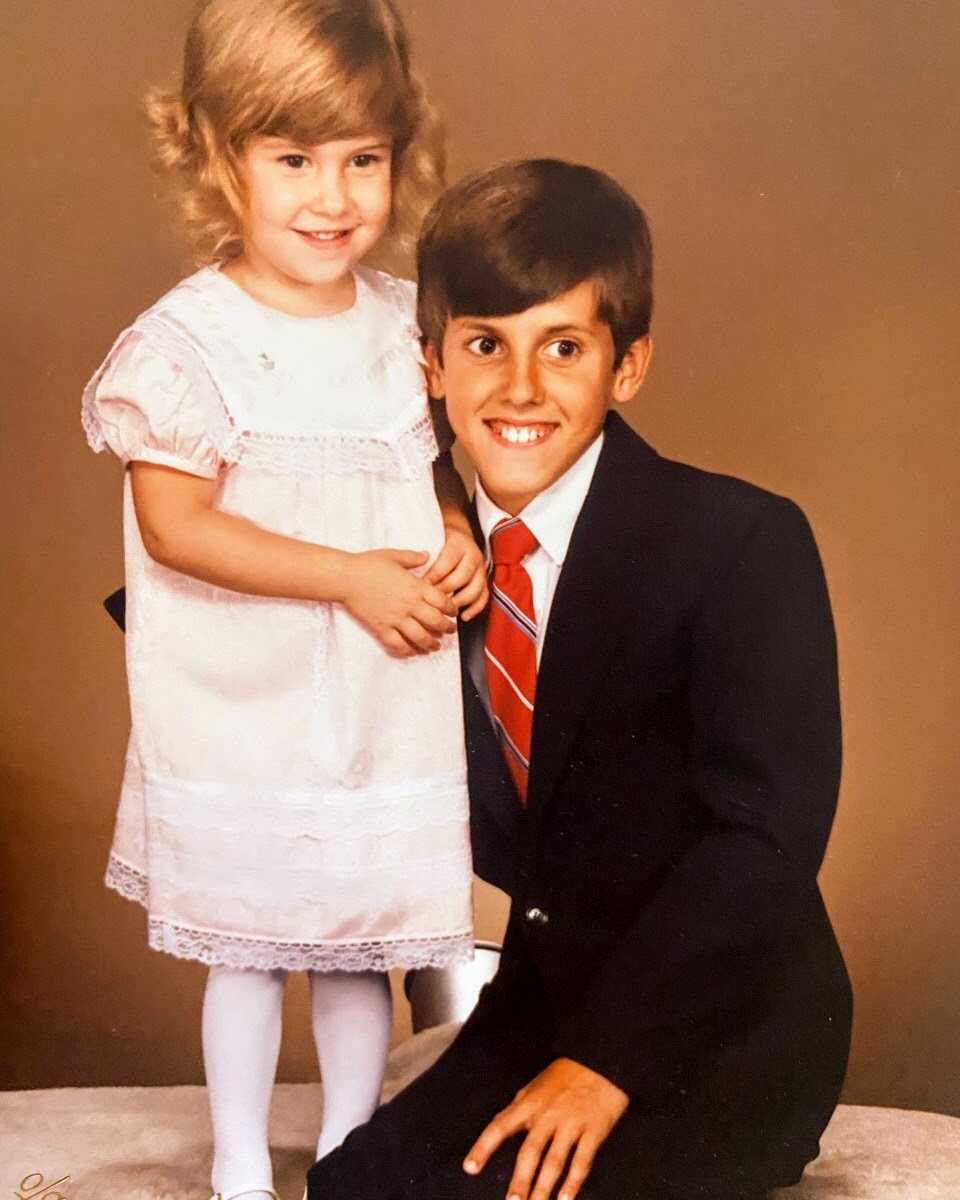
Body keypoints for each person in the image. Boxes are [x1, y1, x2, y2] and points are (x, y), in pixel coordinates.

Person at [306, 159, 852, 1200]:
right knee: (357, 1193)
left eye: (563, 348)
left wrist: (610, 1064)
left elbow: (765, 838)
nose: (518, 390)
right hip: (545, 1004)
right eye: (484, 346)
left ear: (628, 366)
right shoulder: (416, 560)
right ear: (431, 366)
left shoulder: (738, 540)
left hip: (728, 1023)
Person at [80, 3, 487, 1199]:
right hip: (252, 705)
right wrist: (349, 577)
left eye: (364, 159)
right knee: (256, 953)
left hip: (377, 705)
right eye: (294, 159)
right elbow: (178, 524)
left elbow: (424, 481)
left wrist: (454, 540)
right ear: (220, 157)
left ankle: (355, 1156)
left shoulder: (403, 325)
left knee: (362, 949)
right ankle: (243, 1168)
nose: (334, 196)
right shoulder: (189, 343)